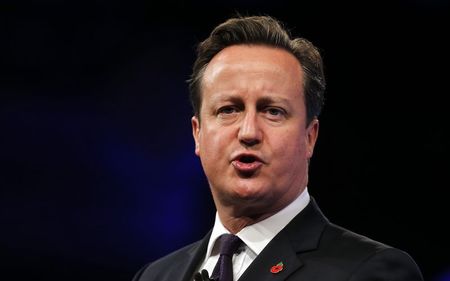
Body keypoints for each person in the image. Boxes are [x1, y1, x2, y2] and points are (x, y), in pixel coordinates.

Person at [132, 15, 424, 281]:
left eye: (273, 111)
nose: (248, 132)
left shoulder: (371, 271)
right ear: (198, 134)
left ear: (310, 137)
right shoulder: (156, 276)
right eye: (229, 109)